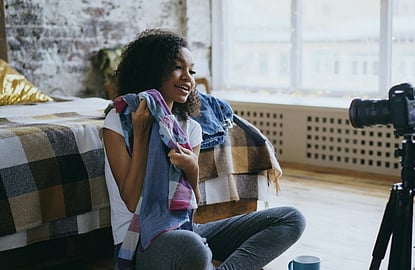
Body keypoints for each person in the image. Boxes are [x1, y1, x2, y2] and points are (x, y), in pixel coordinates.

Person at [102, 28, 306, 270]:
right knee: (194, 248)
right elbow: (132, 200)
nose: (189, 78)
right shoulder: (118, 121)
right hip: (138, 239)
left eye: (192, 71)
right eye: (178, 67)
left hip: (183, 228)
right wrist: (143, 135)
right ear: (152, 68)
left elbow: (193, 204)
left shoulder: (190, 128)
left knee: (291, 219)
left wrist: (192, 169)